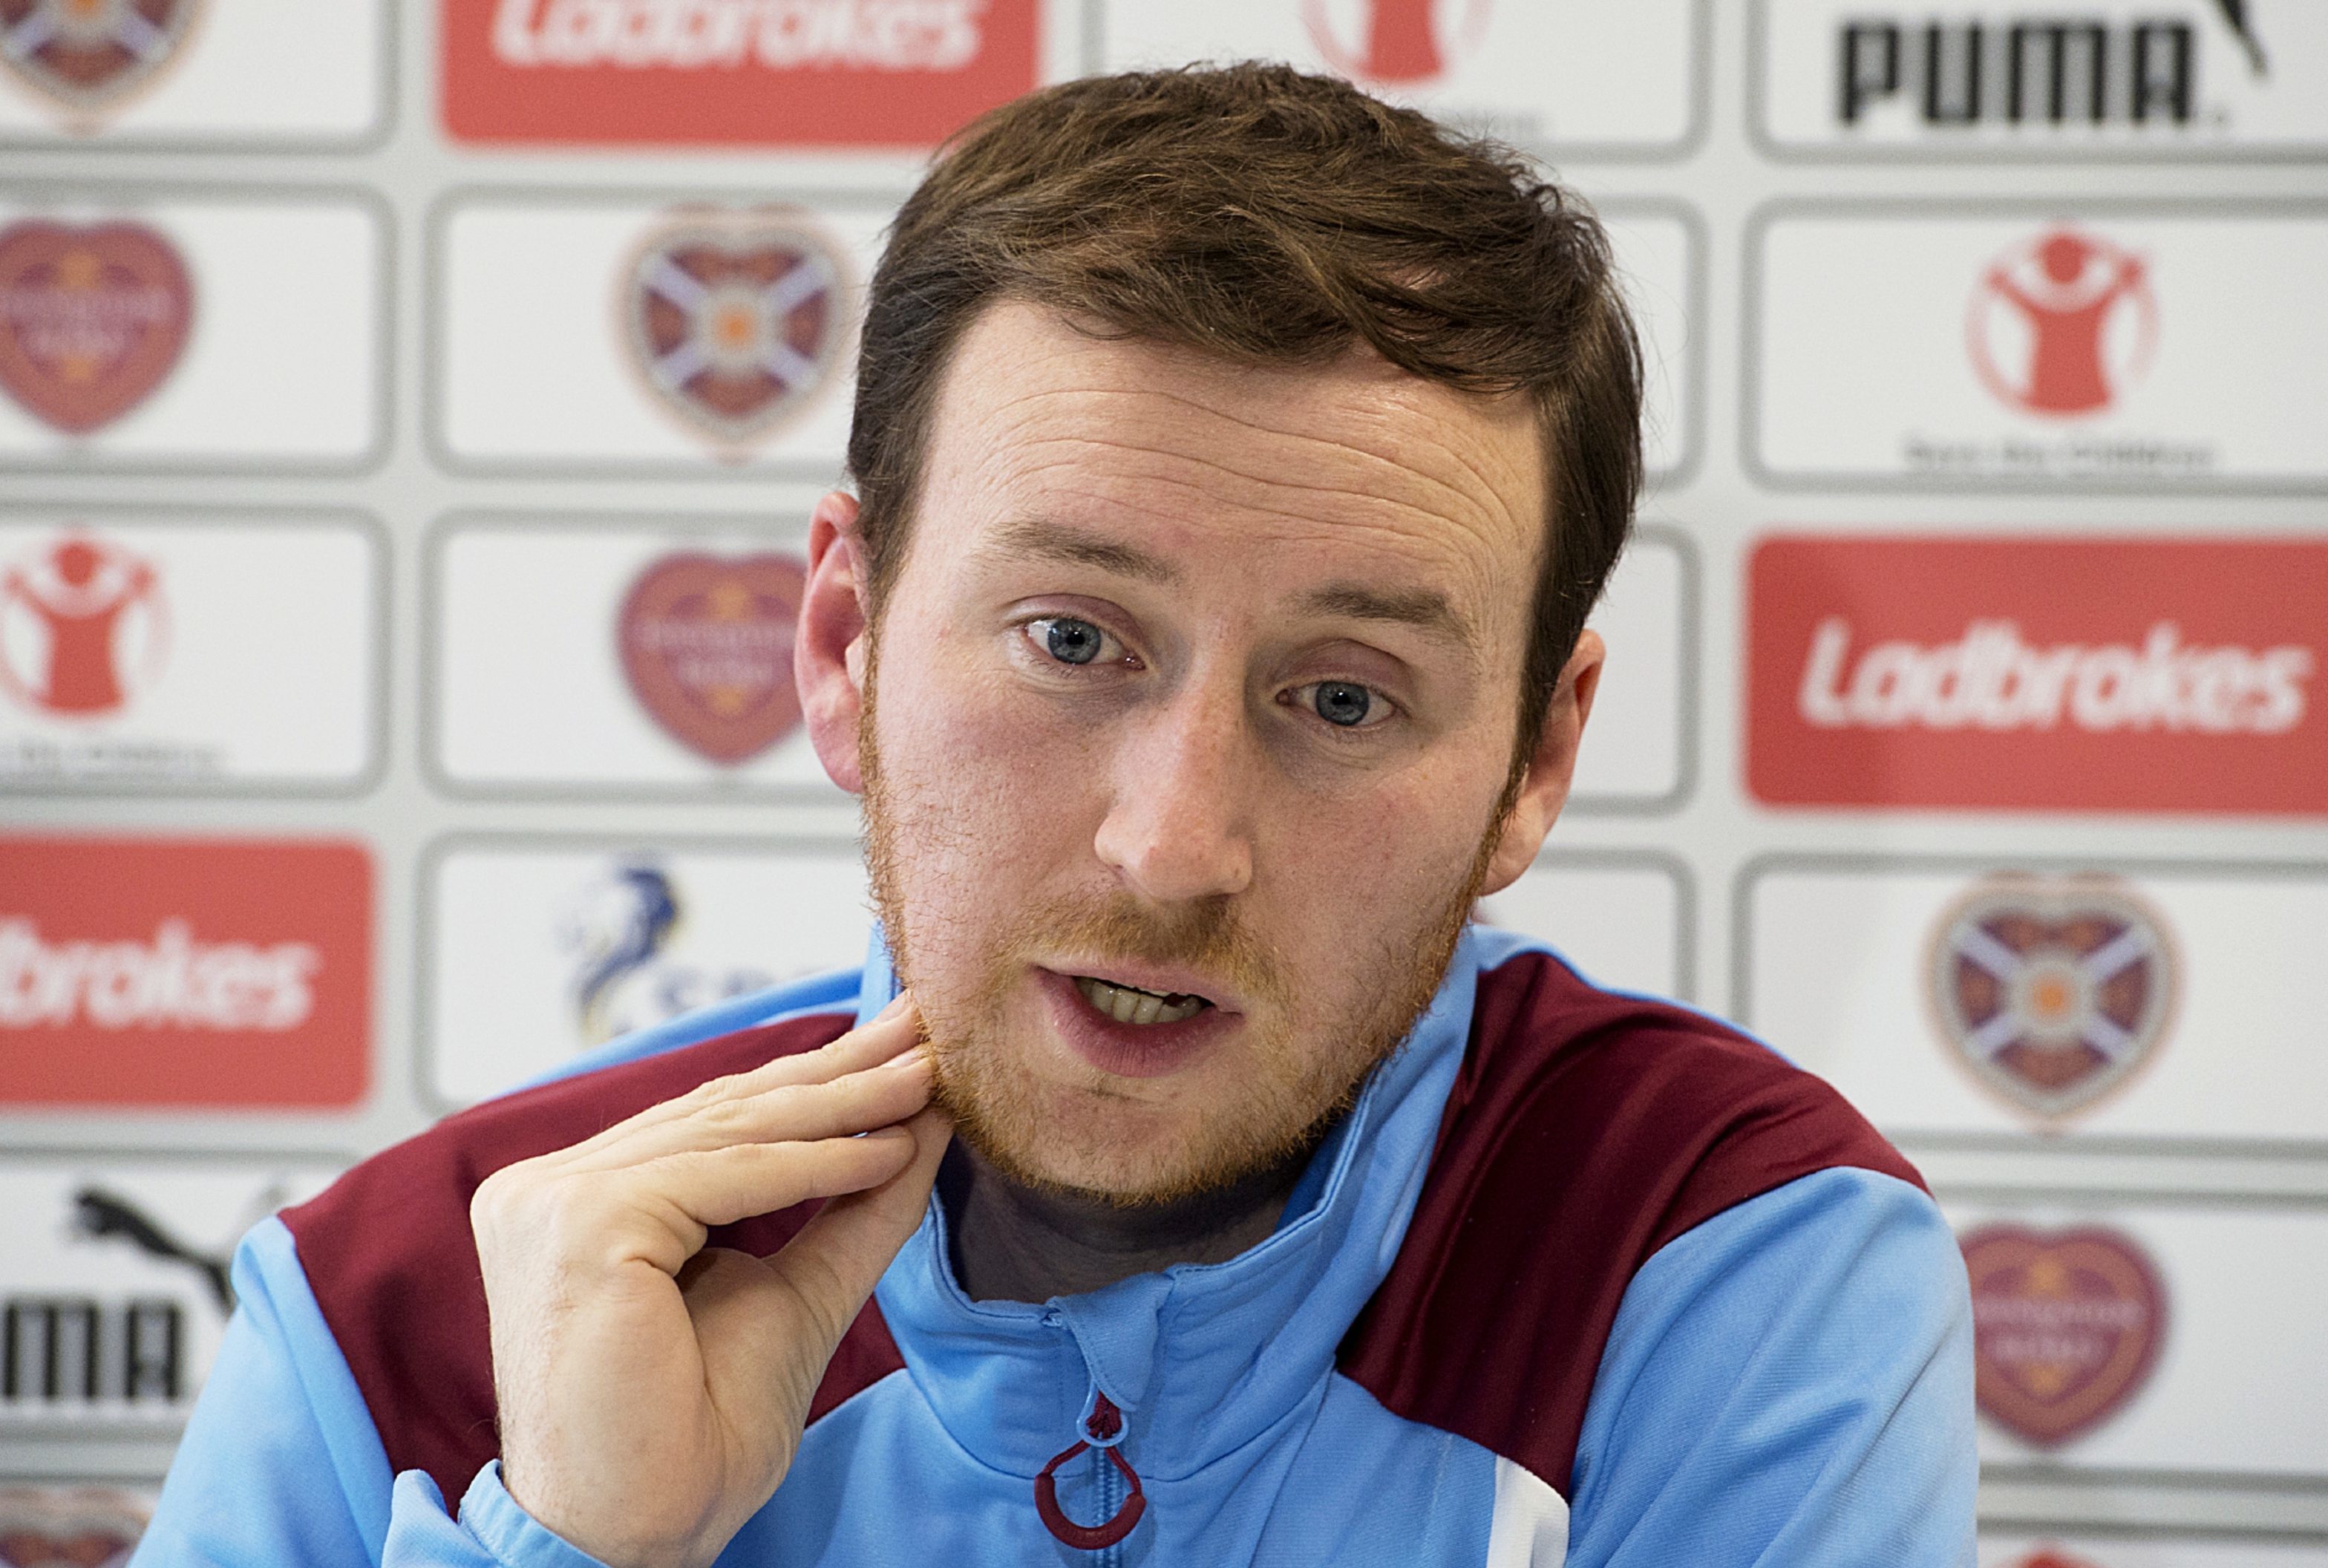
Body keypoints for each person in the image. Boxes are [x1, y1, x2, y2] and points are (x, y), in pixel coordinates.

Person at [133, 65, 1975, 1568]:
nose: (1170, 848)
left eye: (1341, 699)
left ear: (1533, 766)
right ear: (842, 641)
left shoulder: (1717, 1253)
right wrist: (563, 1549)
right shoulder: (396, 1317)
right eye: (1072, 640)